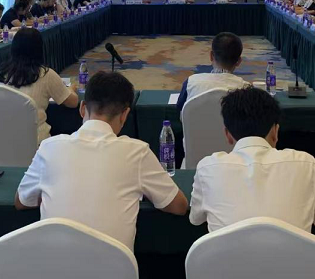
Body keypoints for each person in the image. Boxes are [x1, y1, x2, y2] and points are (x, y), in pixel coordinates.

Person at [189, 87, 315, 279]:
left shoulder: (208, 167)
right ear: (275, 132)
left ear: (228, 135)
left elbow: (195, 218)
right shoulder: (305, 163)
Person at [16, 71, 188, 249]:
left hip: (53, 263)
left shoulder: (49, 147)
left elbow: (21, 201)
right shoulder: (137, 152)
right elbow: (178, 206)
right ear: (125, 114)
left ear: (82, 109)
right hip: (115, 264)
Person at [0, 28, 79, 144]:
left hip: (0, 141)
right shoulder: (46, 74)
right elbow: (73, 103)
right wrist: (70, 89)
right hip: (36, 143)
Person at [177, 33, 247, 112]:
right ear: (239, 61)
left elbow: (180, 108)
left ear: (211, 56)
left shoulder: (191, 82)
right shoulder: (246, 89)